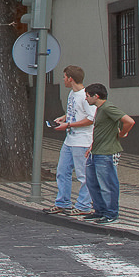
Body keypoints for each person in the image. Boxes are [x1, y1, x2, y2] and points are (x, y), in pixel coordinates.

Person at [79, 82, 135, 226]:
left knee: (107, 184)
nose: (86, 99)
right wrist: (91, 146)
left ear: (96, 96)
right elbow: (101, 130)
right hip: (96, 151)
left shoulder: (108, 107)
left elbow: (129, 121)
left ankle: (111, 213)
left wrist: (122, 134)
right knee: (92, 182)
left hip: (107, 153)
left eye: (87, 96)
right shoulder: (100, 109)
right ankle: (100, 210)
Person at [46, 65, 96, 216]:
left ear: (70, 78)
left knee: (83, 175)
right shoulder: (72, 94)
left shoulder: (85, 96)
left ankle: (83, 205)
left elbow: (91, 119)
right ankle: (63, 202)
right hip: (70, 140)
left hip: (82, 141)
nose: (63, 80)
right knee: (62, 171)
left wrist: (68, 124)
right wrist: (64, 117)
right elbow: (74, 112)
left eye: (64, 77)